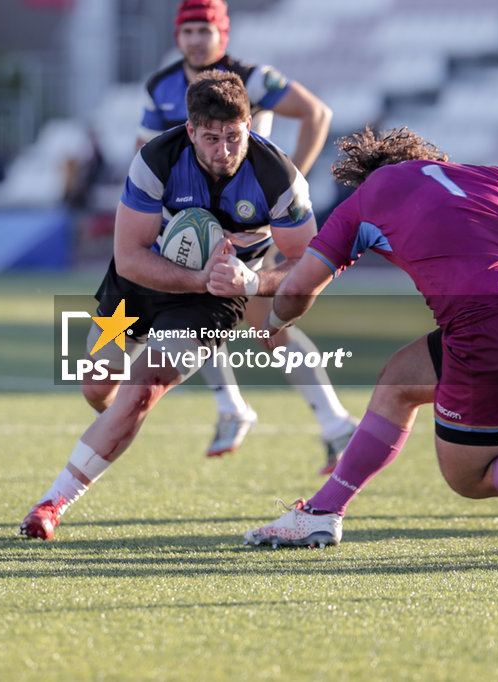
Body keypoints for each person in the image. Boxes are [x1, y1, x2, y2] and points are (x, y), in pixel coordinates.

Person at [244, 127, 498, 549]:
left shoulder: (367, 199)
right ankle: (323, 511)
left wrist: (273, 322)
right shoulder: (491, 175)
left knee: (471, 477)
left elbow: (299, 289)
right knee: (399, 381)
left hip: (489, 336)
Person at [21, 71, 318, 540]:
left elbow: (310, 262)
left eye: (234, 136)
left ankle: (51, 503)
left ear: (249, 126)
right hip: (138, 285)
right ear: (190, 132)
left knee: (142, 389)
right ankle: (115, 424)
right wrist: (196, 275)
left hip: (216, 297)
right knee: (98, 385)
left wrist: (255, 280)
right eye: (211, 138)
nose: (224, 150)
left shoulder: (278, 176)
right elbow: (129, 257)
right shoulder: (155, 159)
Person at [137, 0, 356, 468]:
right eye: (188, 30)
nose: (196, 39)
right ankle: (298, 419)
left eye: (205, 29)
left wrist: (289, 181)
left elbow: (316, 113)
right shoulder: (161, 84)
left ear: (223, 34)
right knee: (201, 307)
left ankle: (323, 423)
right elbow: (145, 147)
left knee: (267, 323)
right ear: (177, 36)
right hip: (190, 219)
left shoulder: (251, 79)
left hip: (248, 221)